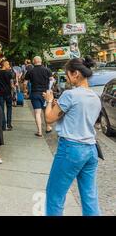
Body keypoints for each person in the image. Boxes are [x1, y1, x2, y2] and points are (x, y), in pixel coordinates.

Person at [43, 57, 101, 216]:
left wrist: (49, 101)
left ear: (75, 74)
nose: (67, 79)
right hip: (91, 149)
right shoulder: (95, 97)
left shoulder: (70, 95)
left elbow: (49, 118)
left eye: (67, 75)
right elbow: (78, 117)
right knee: (90, 196)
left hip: (71, 149)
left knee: (55, 194)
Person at [24, 56, 54, 137]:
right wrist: (49, 89)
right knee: (45, 110)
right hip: (45, 94)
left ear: (34, 61)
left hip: (35, 93)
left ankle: (39, 132)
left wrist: (25, 91)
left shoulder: (30, 71)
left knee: (37, 113)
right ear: (41, 61)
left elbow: (25, 83)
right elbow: (52, 80)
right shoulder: (47, 70)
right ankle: (48, 127)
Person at [0, 60, 15, 131]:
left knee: (1, 109)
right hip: (8, 93)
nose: (9, 66)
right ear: (4, 65)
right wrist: (14, 92)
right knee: (9, 108)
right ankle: (9, 124)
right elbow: (12, 85)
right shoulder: (9, 73)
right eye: (8, 64)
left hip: (0, 93)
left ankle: (3, 125)